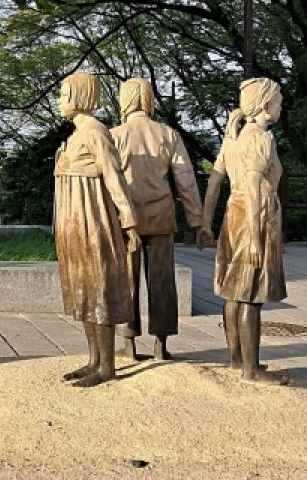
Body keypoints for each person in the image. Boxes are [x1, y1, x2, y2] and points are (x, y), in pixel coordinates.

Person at [53, 71, 139, 387]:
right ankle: (94, 360)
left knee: (100, 288)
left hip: (94, 222)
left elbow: (114, 177)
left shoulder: (95, 131)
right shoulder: (76, 135)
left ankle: (108, 367)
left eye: (64, 94)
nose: (60, 101)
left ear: (81, 96)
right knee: (85, 290)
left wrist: (128, 220)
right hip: (74, 224)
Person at [198, 78, 287, 382]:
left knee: (233, 292)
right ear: (265, 104)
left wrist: (206, 224)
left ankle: (238, 360)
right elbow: (253, 184)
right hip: (255, 213)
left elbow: (213, 184)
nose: (281, 105)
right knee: (251, 294)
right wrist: (254, 236)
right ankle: (251, 370)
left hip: (233, 213)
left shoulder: (232, 140)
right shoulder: (261, 139)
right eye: (278, 100)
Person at [110, 77, 203, 361]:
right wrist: (197, 221)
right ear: (150, 99)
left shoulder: (115, 135)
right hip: (161, 214)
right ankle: (161, 344)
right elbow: (185, 180)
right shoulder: (167, 134)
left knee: (126, 280)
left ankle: (128, 344)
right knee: (162, 281)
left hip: (128, 220)